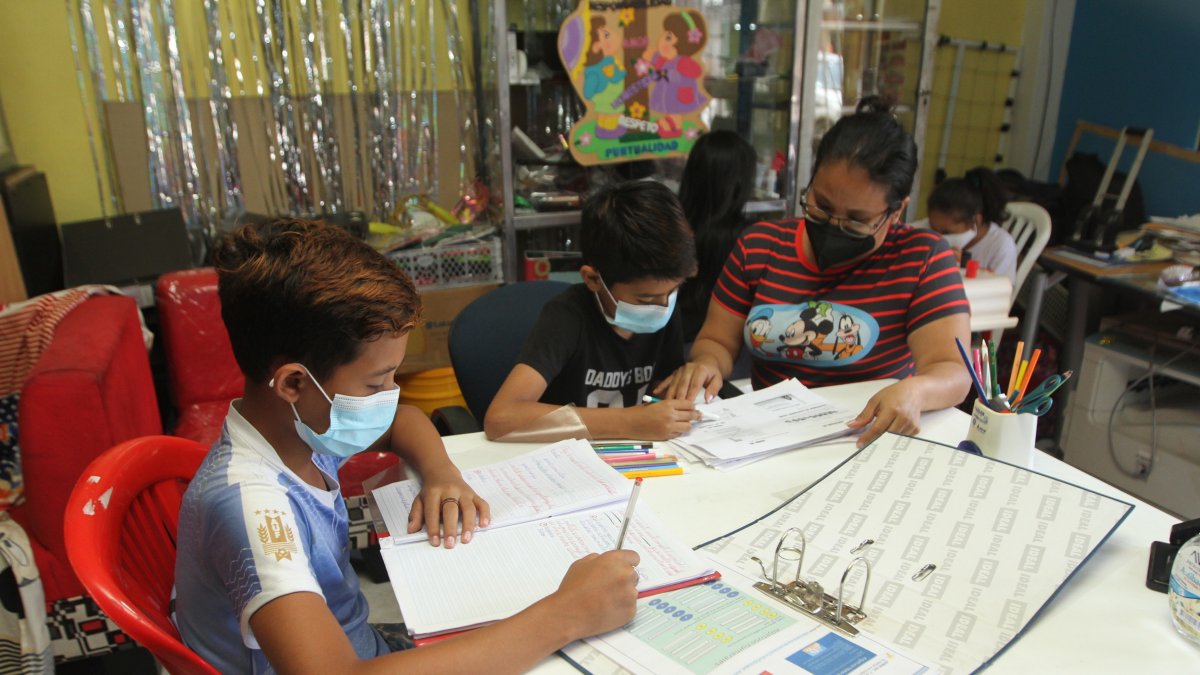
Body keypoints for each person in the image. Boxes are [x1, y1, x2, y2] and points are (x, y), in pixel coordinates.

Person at [173, 219, 639, 673]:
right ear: (294, 382)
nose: (391, 395)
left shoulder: (297, 425)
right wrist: (566, 615)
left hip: (359, 641)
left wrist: (442, 475)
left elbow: (402, 421)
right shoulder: (252, 508)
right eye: (377, 382)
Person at [657, 98, 972, 448]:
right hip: (767, 437)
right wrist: (706, 365)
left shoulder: (922, 258)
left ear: (896, 211)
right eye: (821, 205)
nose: (834, 226)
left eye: (857, 219)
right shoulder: (759, 246)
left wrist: (915, 391)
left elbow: (952, 370)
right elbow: (716, 342)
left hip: (867, 436)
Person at [485, 181, 700, 441]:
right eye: (646, 299)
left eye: (673, 291)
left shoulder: (664, 305)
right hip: (570, 459)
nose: (663, 307)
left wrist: (689, 380)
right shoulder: (566, 318)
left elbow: (661, 392)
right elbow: (501, 418)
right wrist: (629, 422)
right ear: (593, 279)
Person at [677, 129, 757, 343]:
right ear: (740, 182)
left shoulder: (669, 225)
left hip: (673, 336)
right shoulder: (749, 239)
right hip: (726, 344)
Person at [926, 166, 1019, 284]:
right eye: (933, 229)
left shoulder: (1001, 246)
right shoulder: (936, 222)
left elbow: (1002, 293)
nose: (939, 237)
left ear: (976, 221)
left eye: (947, 233)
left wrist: (967, 269)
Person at [641, 8, 709, 139]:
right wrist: (652, 58)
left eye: (668, 37)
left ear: (681, 43)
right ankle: (669, 124)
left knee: (675, 111)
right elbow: (658, 66)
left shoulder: (683, 62)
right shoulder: (665, 59)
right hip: (668, 92)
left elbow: (692, 72)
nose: (661, 40)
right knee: (669, 110)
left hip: (678, 94)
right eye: (665, 35)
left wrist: (661, 67)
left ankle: (675, 129)